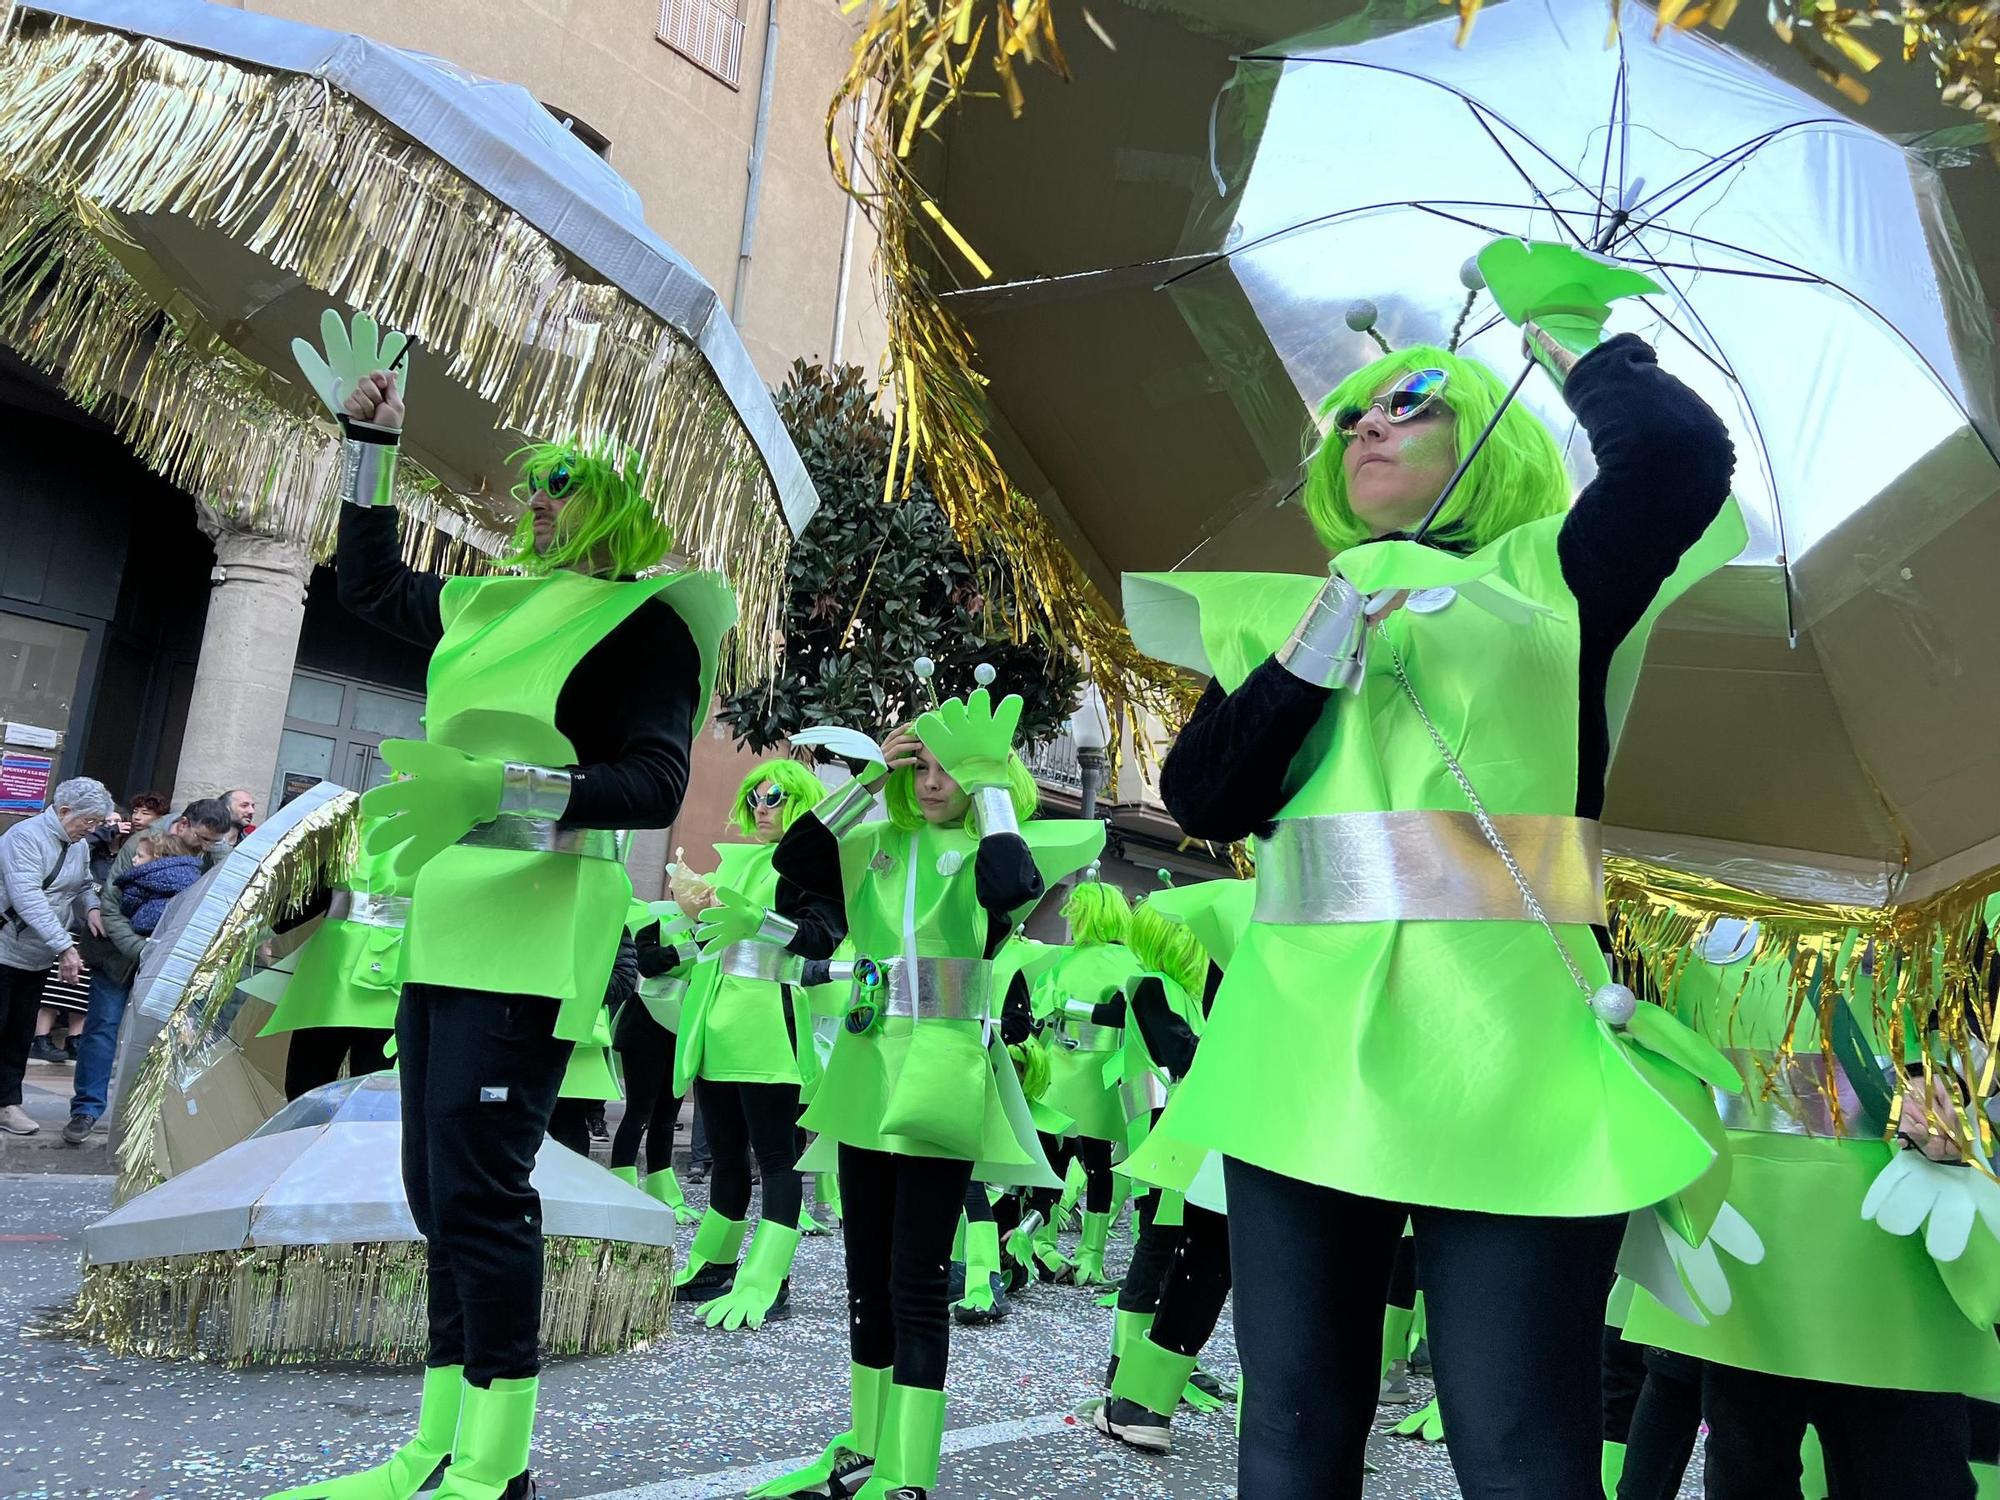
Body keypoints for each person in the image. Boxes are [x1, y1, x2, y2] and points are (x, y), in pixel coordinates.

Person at [1123, 238, 1744, 1496]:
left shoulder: (1563, 577)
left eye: (1412, 401)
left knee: (1517, 1443)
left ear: (1493, 441)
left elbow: (1677, 462)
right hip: (1300, 1048)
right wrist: (1314, 650)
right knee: (1289, 1425)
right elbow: (1202, 796)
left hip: (1505, 1050)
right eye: (1350, 409)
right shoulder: (1288, 609)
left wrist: (1565, 333)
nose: (1365, 422)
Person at [263, 317, 732, 1500]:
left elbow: (657, 782)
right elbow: (367, 582)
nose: (530, 503)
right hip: (446, 924)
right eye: (530, 488)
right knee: (437, 1193)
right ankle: (433, 1448)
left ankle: (494, 1465)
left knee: (478, 1191)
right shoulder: (487, 608)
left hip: (532, 937)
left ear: (613, 505)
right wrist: (369, 441)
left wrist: (506, 783)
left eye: (559, 488)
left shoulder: (641, 624)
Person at [725, 684, 1102, 1500]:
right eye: (921, 765)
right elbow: (794, 865)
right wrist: (865, 781)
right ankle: (865, 1449)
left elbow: (1008, 892)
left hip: (941, 1069)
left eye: (948, 770)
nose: (932, 782)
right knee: (865, 1271)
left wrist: (992, 782)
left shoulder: (999, 848)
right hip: (865, 1065)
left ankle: (910, 1473)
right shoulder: (878, 837)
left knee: (917, 1277)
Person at [667, 758, 827, 1327]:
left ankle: (769, 1277)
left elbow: (820, 938)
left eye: (777, 797)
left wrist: (759, 919)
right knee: (726, 1154)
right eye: (756, 797)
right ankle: (714, 1261)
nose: (763, 806)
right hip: (717, 1020)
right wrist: (692, 922)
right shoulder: (738, 861)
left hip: (768, 1023)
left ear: (801, 802)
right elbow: (712, 944)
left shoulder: (806, 865)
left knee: (777, 1156)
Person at [65, 798, 231, 1143]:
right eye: (202, 838)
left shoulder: (209, 854)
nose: (205, 846)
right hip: (117, 955)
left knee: (161, 1039)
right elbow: (111, 906)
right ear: (183, 825)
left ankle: (144, 1119)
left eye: (213, 842)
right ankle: (86, 1110)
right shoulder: (140, 844)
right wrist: (144, 952)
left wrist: (218, 854)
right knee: (103, 1029)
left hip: (167, 962)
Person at [1029, 881, 1141, 1286]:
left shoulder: (1127, 963)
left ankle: (1089, 1253)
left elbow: (1124, 1015)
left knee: (1094, 1160)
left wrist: (1072, 1006)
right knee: (1057, 1157)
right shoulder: (1069, 958)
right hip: (1061, 1065)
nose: (1072, 919)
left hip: (1095, 1069)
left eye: (1078, 912)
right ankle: (1043, 1244)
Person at [0, 777, 114, 1136]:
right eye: (88, 821)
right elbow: (27, 896)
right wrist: (65, 946)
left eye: (98, 823)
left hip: (36, 952)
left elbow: (81, 884)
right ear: (65, 811)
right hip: (5, 947)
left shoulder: (77, 844)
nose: (92, 830)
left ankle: (6, 1104)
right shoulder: (25, 837)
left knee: (19, 1032)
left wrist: (92, 908)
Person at [616, 899, 701, 1222]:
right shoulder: (657, 920)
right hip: (645, 1029)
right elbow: (647, 962)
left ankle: (663, 1193)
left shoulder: (709, 927)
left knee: (667, 1116)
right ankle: (621, 1190)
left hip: (681, 1029)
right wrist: (688, 951)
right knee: (639, 1111)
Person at [113, 829, 207, 936]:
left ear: (157, 859)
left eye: (140, 856)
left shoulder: (141, 881)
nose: (133, 859)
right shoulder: (192, 874)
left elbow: (129, 905)